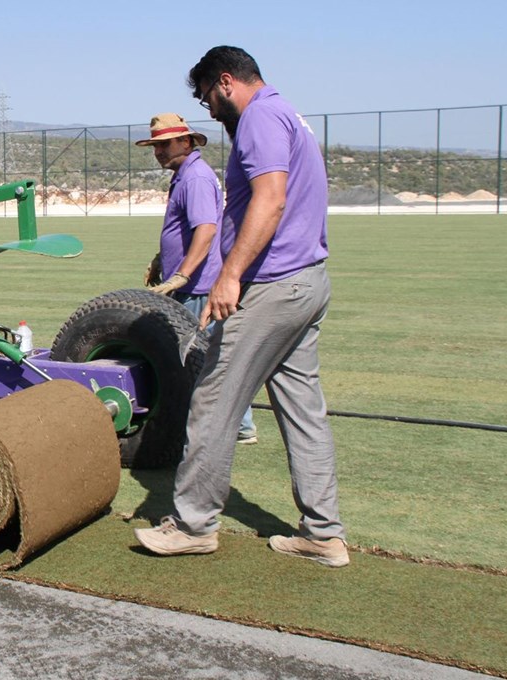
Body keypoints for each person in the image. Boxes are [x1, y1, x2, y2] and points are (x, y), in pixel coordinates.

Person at [134, 46, 348, 567]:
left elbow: (271, 198)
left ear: (226, 82)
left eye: (207, 96)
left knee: (212, 397)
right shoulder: (288, 113)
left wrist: (230, 275)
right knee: (302, 410)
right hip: (308, 281)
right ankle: (323, 534)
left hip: (273, 286)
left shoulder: (257, 117)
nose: (208, 109)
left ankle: (192, 524)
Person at [137, 113, 257, 445]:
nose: (159, 151)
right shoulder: (185, 176)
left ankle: (232, 427)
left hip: (198, 288)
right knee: (212, 357)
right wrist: (163, 259)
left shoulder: (196, 179)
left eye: (165, 144)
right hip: (192, 285)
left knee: (198, 359)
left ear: (186, 142)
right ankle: (240, 425)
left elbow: (206, 230)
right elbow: (187, 230)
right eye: (155, 145)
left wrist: (182, 274)